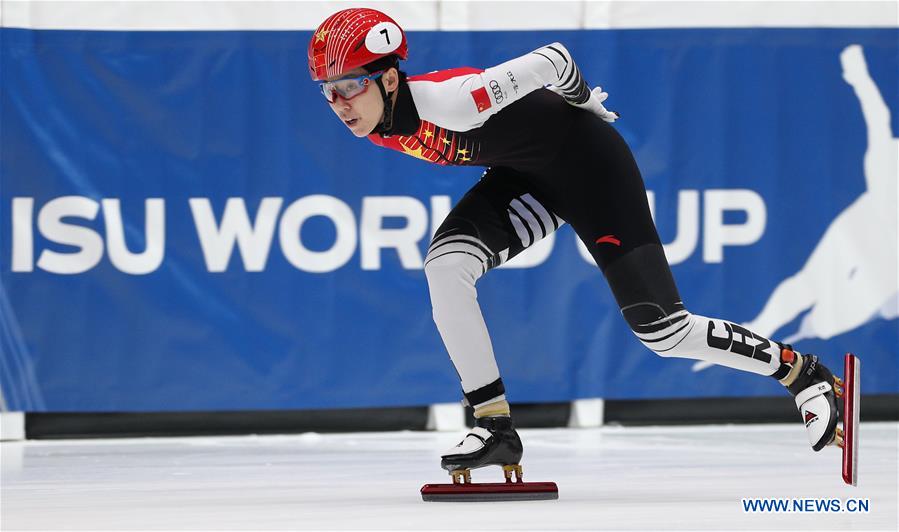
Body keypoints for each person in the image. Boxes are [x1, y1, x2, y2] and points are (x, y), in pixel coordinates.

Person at [308, 8, 849, 480]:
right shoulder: (379, 119)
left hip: (592, 168)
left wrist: (585, 101)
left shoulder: (454, 103)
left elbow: (555, 57)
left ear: (390, 78)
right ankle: (494, 425)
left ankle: (804, 374)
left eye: (350, 85)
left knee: (664, 332)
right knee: (446, 267)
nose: (339, 103)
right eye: (328, 91)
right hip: (528, 173)